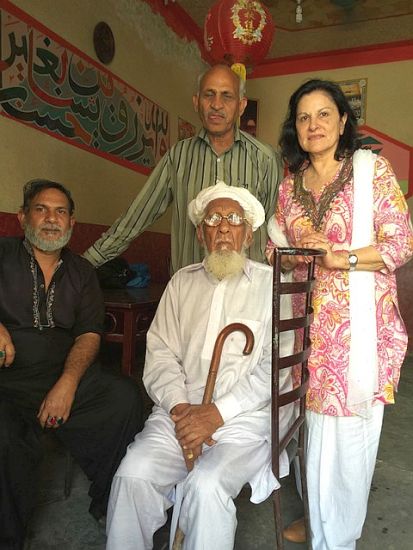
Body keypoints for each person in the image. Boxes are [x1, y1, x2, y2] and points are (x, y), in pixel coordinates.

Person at [106, 182, 294, 549]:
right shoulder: (181, 282)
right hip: (180, 413)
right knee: (133, 474)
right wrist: (179, 407)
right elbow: (160, 353)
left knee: (206, 486)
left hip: (244, 420)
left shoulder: (272, 285)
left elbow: (275, 369)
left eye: (234, 218)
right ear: (200, 232)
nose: (223, 226)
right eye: (213, 219)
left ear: (248, 232)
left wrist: (217, 413)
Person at [266, 79, 413, 549]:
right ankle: (320, 528)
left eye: (324, 114)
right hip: (308, 341)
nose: (314, 125)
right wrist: (295, 252)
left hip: (359, 343)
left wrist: (339, 257)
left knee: (349, 449)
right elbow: (273, 251)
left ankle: (339, 539)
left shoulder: (372, 171)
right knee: (315, 444)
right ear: (295, 128)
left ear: (343, 121)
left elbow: (401, 244)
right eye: (304, 117)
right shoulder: (289, 189)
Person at [0, 179, 144, 550]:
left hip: (62, 373)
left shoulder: (81, 273)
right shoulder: (2, 255)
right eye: (41, 209)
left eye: (60, 211)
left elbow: (89, 334)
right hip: (7, 381)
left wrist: (66, 384)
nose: (51, 219)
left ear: (72, 223)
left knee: (125, 398)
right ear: (22, 217)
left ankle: (107, 498)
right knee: (5, 437)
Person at [83, 64, 282, 274]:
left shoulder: (265, 159)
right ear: (196, 102)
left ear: (241, 106)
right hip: (189, 293)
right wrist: (84, 264)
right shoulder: (177, 156)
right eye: (209, 95)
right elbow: (135, 218)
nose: (216, 104)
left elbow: (276, 234)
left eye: (226, 96)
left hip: (246, 295)